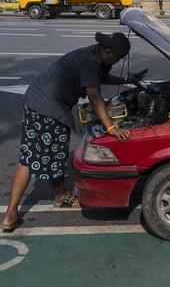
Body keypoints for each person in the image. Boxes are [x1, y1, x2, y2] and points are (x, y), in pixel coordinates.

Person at [1, 31, 143, 232]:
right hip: (47, 107)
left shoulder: (96, 56)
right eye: (117, 58)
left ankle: (53, 198)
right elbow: (94, 96)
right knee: (37, 156)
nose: (117, 61)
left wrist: (126, 79)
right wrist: (111, 128)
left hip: (36, 101)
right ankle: (17, 212)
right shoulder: (88, 61)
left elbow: (100, 79)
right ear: (108, 51)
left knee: (39, 155)